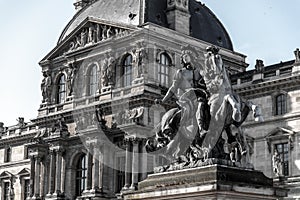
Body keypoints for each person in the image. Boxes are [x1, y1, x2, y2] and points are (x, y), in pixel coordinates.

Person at [156, 46, 210, 142]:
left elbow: (207, 80)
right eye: (183, 57)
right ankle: (199, 129)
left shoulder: (199, 71)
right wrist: (163, 100)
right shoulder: (180, 72)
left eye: (187, 56)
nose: (185, 58)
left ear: (192, 57)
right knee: (193, 107)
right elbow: (173, 88)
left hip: (200, 95)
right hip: (186, 97)